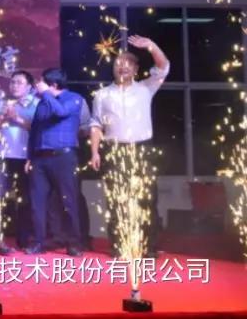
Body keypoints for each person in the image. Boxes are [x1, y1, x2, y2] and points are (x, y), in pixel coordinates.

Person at [89, 34, 170, 258]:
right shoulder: (102, 95)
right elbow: (96, 125)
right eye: (118, 64)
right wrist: (95, 152)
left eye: (128, 64)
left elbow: (164, 67)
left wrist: (152, 46)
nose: (122, 67)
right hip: (115, 151)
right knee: (117, 199)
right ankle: (120, 246)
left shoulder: (146, 88)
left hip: (142, 150)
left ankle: (147, 247)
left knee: (146, 198)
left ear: (135, 69)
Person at [26, 68, 85, 257]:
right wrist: (29, 157)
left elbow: (60, 112)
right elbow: (35, 130)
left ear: (53, 84)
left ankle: (74, 243)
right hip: (40, 158)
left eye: (41, 82)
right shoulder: (42, 102)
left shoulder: (74, 98)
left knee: (68, 200)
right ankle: (38, 242)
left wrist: (46, 94)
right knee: (37, 202)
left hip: (63, 157)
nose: (37, 85)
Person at [0, 70, 37, 250]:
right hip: (3, 156)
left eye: (19, 82)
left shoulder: (36, 104)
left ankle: (24, 239)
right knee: (0, 198)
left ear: (29, 87)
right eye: (12, 82)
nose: (14, 85)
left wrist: (16, 118)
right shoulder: (2, 103)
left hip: (25, 157)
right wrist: (2, 118)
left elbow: (37, 128)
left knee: (24, 199)